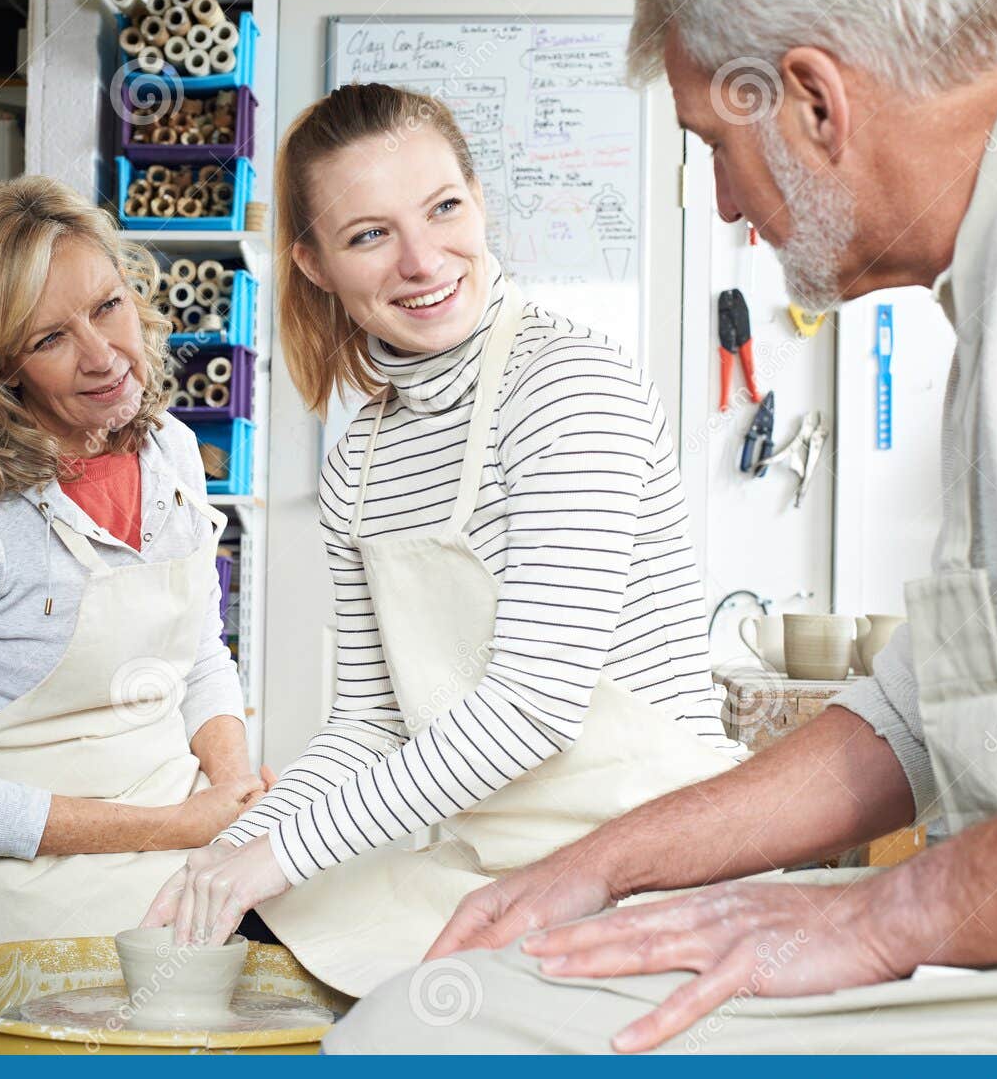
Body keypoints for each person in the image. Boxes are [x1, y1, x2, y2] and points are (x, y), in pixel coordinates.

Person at [326, 0, 997, 1052]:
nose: (729, 204)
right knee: (432, 1007)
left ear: (815, 105)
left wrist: (890, 911)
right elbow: (919, 714)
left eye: (714, 148)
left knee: (422, 1042)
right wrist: (604, 864)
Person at [143, 83, 738, 997]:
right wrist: (215, 865)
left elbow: (534, 707)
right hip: (499, 867)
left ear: (480, 200)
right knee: (266, 941)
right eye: (369, 234)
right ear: (313, 263)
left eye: (443, 209)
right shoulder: (360, 462)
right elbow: (368, 727)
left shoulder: (570, 388)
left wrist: (274, 857)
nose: (423, 261)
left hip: (661, 862)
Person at [0, 176, 265, 950]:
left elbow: (198, 659)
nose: (101, 357)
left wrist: (233, 791)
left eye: (107, 307)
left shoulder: (174, 451)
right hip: (21, 877)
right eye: (49, 339)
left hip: (175, 823)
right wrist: (179, 825)